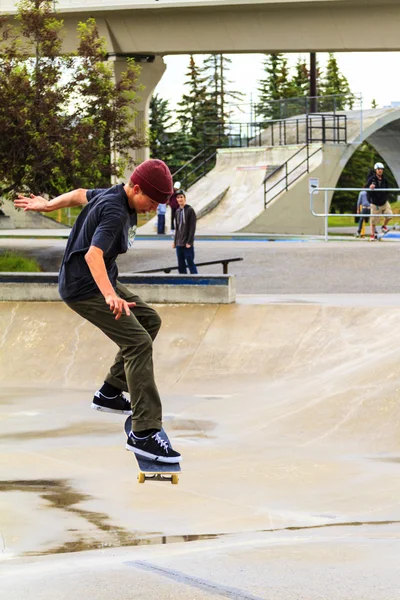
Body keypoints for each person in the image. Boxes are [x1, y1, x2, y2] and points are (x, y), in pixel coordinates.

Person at [14, 159, 181, 464]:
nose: (151, 209)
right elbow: (93, 256)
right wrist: (109, 296)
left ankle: (110, 391)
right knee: (138, 343)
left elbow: (79, 194)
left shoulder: (113, 193)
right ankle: (144, 432)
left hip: (97, 281)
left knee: (149, 321)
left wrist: (49, 205)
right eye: (152, 201)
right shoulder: (116, 212)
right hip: (85, 288)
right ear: (137, 188)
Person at [172, 190, 198, 274]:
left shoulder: (190, 210)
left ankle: (195, 280)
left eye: (181, 197)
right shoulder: (177, 211)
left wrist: (189, 241)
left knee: (190, 263)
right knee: (181, 265)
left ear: (185, 198)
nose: (180, 199)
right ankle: (183, 281)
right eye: (178, 197)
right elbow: (177, 228)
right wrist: (175, 241)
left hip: (187, 243)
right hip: (179, 243)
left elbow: (192, 227)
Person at [366, 162, 392, 241]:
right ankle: (372, 235)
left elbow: (387, 190)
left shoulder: (385, 180)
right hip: (375, 203)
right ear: (375, 170)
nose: (380, 170)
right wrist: (370, 188)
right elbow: (367, 189)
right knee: (373, 221)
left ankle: (384, 226)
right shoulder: (371, 179)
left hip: (384, 201)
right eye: (378, 169)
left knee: (390, 215)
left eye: (381, 169)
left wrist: (385, 197)